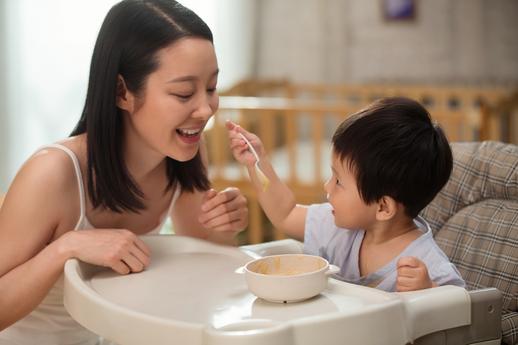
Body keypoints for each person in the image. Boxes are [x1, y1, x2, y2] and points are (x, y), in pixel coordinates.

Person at [0, 0, 248, 344]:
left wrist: (224, 228)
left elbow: (201, 260)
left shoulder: (185, 154)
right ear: (122, 92)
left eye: (211, 88)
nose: (206, 109)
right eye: (184, 92)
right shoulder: (53, 173)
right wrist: (66, 247)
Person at [227, 97, 465, 292]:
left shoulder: (426, 265)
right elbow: (285, 213)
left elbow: (463, 315)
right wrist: (257, 162)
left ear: (383, 207)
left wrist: (430, 290)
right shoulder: (337, 227)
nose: (327, 186)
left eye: (339, 181)